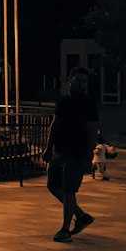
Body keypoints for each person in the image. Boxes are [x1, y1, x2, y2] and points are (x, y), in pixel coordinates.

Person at [44, 68, 98, 241]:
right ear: (70, 81)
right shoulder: (64, 101)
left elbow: (91, 131)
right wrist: (48, 147)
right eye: (78, 80)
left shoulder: (88, 104)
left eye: (84, 81)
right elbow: (55, 123)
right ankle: (81, 216)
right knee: (53, 186)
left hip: (76, 153)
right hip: (60, 150)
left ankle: (65, 229)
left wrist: (89, 157)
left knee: (68, 190)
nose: (82, 84)